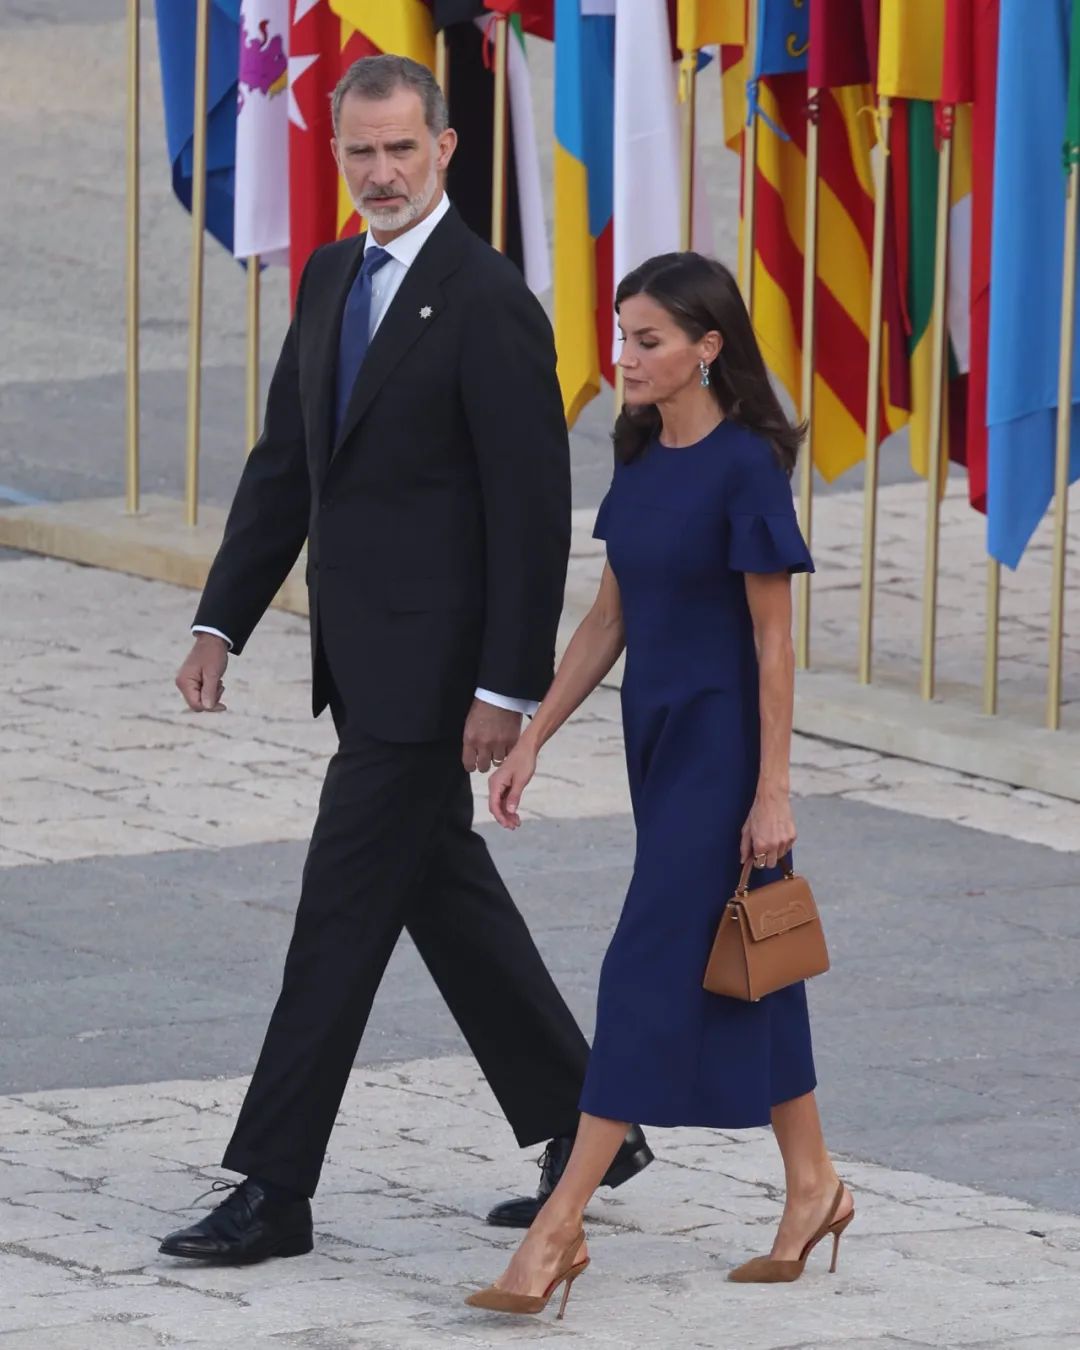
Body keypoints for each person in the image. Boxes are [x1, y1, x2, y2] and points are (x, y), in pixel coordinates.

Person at [160, 54, 652, 1267]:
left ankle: (273, 1187)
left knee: (339, 916)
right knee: (441, 889)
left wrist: (504, 689)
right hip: (360, 661)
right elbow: (290, 462)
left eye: (400, 150)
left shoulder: (489, 301)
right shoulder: (331, 273)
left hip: (434, 682)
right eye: (359, 153)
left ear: (443, 149)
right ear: (339, 157)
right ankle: (592, 1119)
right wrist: (221, 617)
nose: (379, 173)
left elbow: (531, 513)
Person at [465, 252, 854, 1319]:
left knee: (643, 971)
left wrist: (773, 793)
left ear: (707, 348)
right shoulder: (640, 455)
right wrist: (536, 736)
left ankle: (557, 1231)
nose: (625, 357)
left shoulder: (744, 468)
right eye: (623, 336)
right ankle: (813, 1185)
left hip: (725, 753)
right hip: (660, 743)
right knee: (754, 955)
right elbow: (609, 618)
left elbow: (775, 648)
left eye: (648, 341)